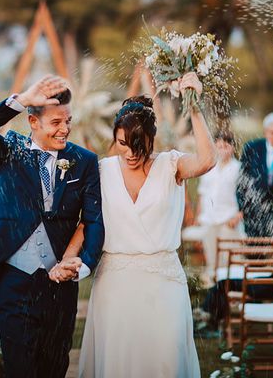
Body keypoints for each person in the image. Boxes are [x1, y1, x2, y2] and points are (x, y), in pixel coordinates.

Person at [77, 72, 215, 378]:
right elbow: (84, 221)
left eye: (137, 146)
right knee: (118, 363)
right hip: (115, 284)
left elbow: (207, 160)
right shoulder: (102, 170)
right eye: (123, 144)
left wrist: (193, 104)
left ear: (151, 139)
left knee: (165, 360)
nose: (129, 153)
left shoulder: (171, 165)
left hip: (163, 283)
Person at [0, 75, 104, 378]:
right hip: (13, 284)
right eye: (56, 122)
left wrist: (82, 265)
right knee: (20, 369)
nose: (65, 129)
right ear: (33, 121)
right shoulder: (8, 153)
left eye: (68, 121)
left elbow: (94, 219)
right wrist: (22, 99)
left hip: (60, 288)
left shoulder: (84, 161)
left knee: (54, 368)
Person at [191, 132, 243, 281]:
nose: (222, 149)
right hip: (209, 219)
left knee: (231, 259)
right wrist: (198, 217)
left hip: (229, 219)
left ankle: (232, 294)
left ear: (232, 147)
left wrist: (239, 216)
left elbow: (247, 196)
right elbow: (202, 193)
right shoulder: (209, 167)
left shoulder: (238, 168)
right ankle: (214, 297)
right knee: (212, 259)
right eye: (218, 146)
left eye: (226, 146)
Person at [237, 112, 273, 238]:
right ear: (266, 132)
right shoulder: (251, 148)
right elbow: (242, 181)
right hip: (255, 215)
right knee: (255, 255)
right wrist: (243, 208)